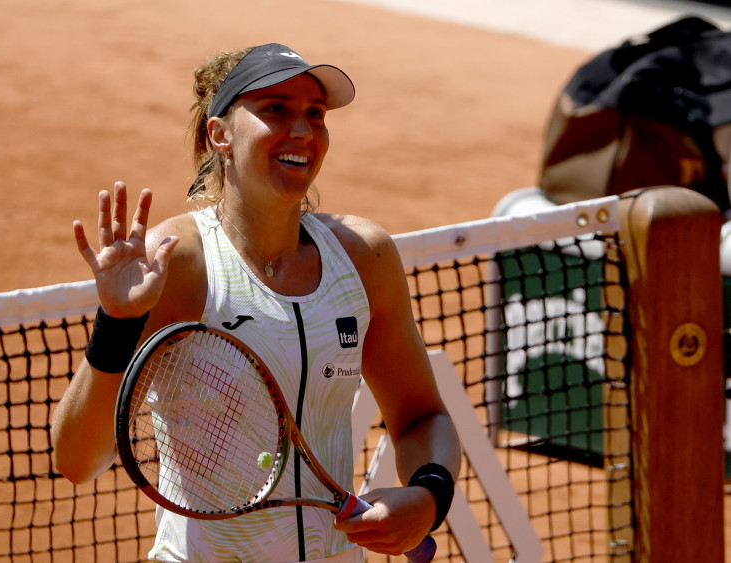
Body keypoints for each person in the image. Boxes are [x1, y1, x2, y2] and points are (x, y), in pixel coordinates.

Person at [51, 43, 462, 563]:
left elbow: (422, 415)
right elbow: (77, 461)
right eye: (276, 109)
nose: (303, 131)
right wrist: (117, 322)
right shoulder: (177, 263)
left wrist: (429, 495)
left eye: (315, 114)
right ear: (219, 134)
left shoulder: (362, 258)